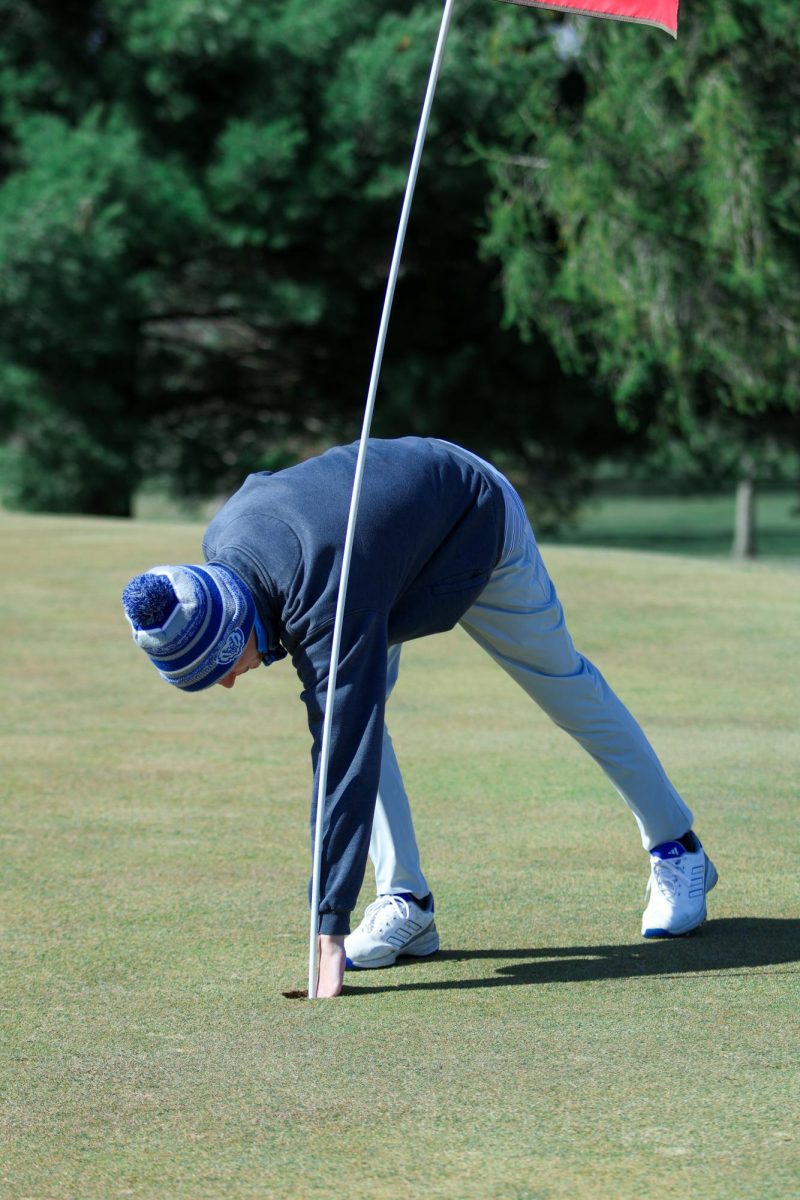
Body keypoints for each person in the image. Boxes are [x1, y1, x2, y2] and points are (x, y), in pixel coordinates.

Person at [121, 437, 717, 998]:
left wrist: (327, 924)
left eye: (221, 669)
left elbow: (341, 756)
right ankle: (406, 903)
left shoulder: (326, 600)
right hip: (382, 561)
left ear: (236, 630)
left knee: (561, 686)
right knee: (361, 717)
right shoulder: (225, 544)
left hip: (470, 518)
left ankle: (679, 849)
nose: (227, 683)